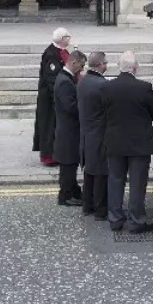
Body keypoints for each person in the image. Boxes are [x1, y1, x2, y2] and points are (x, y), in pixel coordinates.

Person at [103, 51, 153, 234]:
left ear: (120, 67)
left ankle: (115, 220)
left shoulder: (107, 87)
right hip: (139, 142)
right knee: (137, 183)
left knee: (115, 181)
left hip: (115, 141)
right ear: (135, 67)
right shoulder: (144, 87)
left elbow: (103, 111)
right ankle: (136, 222)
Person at [77, 50, 110, 220]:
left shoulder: (83, 82)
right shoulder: (102, 85)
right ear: (100, 64)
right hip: (100, 134)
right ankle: (101, 209)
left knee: (89, 172)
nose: (107, 65)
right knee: (101, 173)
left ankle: (87, 205)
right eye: (106, 62)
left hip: (86, 133)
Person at [33, 27, 73, 166]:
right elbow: (52, 79)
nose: (70, 38)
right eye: (68, 36)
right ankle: (49, 156)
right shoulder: (51, 55)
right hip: (50, 99)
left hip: (59, 95)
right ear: (62, 39)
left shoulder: (62, 51)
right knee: (50, 126)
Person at [52, 48, 86, 206]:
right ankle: (65, 196)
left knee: (71, 165)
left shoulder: (67, 78)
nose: (82, 69)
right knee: (68, 166)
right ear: (73, 62)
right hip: (68, 132)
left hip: (69, 130)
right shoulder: (65, 81)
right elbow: (71, 107)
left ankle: (73, 192)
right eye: (81, 65)